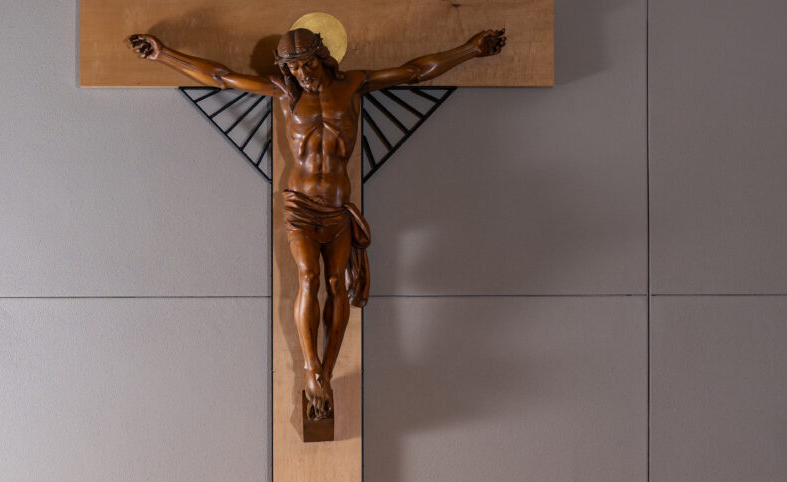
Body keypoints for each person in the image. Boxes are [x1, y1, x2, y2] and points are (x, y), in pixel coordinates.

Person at [129, 24, 505, 422]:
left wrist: (470, 49)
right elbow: (221, 76)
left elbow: (414, 71)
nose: (303, 73)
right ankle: (313, 369)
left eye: (308, 63)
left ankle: (326, 369)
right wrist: (163, 54)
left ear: (323, 57)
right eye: (293, 68)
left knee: (336, 282)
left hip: (338, 208)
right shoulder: (284, 91)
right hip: (301, 207)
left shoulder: (353, 84)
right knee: (309, 276)